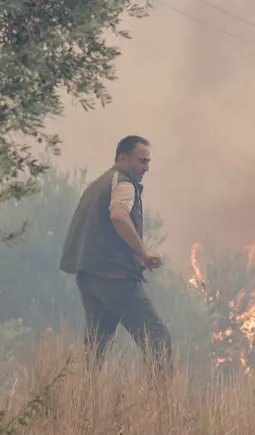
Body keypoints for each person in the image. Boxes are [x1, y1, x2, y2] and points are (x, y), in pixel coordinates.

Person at [59, 135, 172, 376]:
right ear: (122, 158)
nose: (146, 168)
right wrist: (143, 252)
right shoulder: (123, 184)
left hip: (89, 277)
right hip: (115, 279)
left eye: (148, 162)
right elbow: (119, 216)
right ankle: (164, 405)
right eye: (141, 161)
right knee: (157, 337)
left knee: (95, 350)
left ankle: (84, 403)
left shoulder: (98, 184)